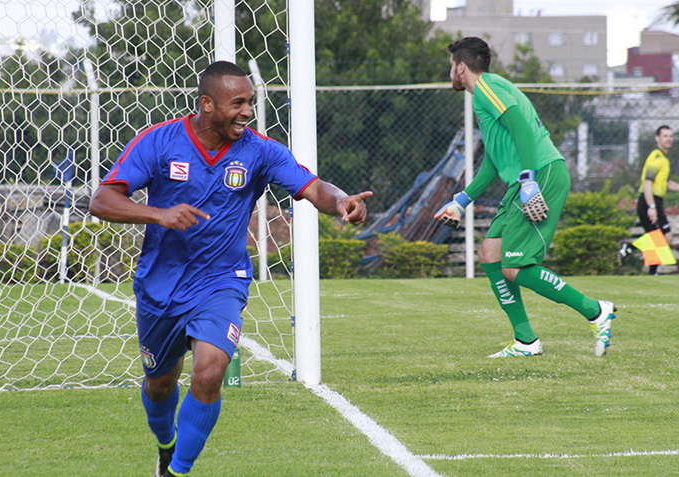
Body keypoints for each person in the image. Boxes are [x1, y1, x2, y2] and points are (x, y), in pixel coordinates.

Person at [89, 61, 372, 476]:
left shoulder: (260, 150)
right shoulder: (159, 141)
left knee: (209, 372)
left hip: (222, 282)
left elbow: (312, 187)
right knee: (160, 384)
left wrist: (342, 201)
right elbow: (102, 200)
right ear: (207, 103)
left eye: (250, 102)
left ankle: (176, 471)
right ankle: (166, 445)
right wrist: (159, 214)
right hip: (160, 285)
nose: (247, 111)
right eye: (237, 103)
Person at [434, 36, 616, 358]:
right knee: (491, 253)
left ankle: (595, 310)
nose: (450, 72)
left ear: (461, 67)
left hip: (539, 174)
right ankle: (526, 341)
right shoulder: (489, 93)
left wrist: (529, 178)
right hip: (526, 178)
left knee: (515, 267)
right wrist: (462, 200)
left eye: (451, 66)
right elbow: (494, 160)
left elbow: (521, 129)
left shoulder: (487, 88)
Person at [635, 125, 679, 275]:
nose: (669, 139)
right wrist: (651, 206)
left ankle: (652, 273)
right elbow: (647, 183)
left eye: (671, 136)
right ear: (657, 139)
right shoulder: (656, 158)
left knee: (663, 238)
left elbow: (667, 183)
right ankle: (630, 248)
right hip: (648, 201)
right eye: (665, 136)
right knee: (658, 239)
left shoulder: (664, 159)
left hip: (655, 201)